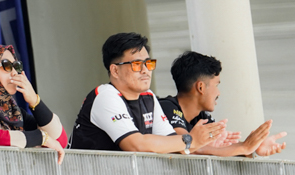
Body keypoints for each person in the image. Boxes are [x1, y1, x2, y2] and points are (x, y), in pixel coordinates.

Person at [70, 32, 227, 153]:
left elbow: (174, 144)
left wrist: (204, 141)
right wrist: (191, 140)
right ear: (115, 70)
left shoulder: (148, 97)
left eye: (148, 63)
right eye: (137, 64)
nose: (145, 70)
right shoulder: (106, 95)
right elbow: (136, 145)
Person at [159, 51, 287, 157]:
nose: (218, 92)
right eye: (216, 85)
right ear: (201, 87)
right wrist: (244, 147)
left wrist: (254, 148)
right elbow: (187, 146)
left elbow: (217, 149)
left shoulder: (202, 117)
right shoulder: (166, 107)